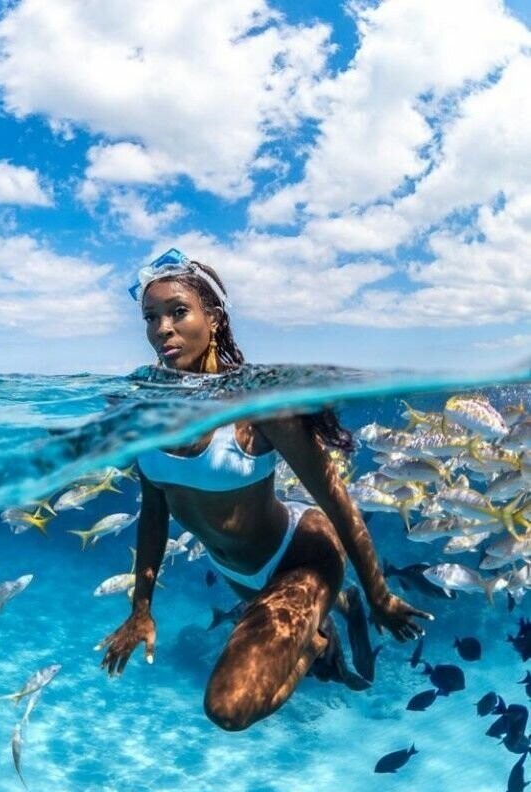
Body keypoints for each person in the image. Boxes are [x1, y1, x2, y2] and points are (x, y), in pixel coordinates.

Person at [96, 249, 433, 732]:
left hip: (302, 554)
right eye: (151, 318)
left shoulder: (260, 406)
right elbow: (154, 512)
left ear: (212, 319)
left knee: (229, 708)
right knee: (269, 662)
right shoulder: (144, 411)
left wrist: (380, 594)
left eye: (177, 312)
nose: (162, 329)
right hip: (239, 574)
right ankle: (335, 610)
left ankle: (324, 631)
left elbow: (336, 501)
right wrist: (141, 609)